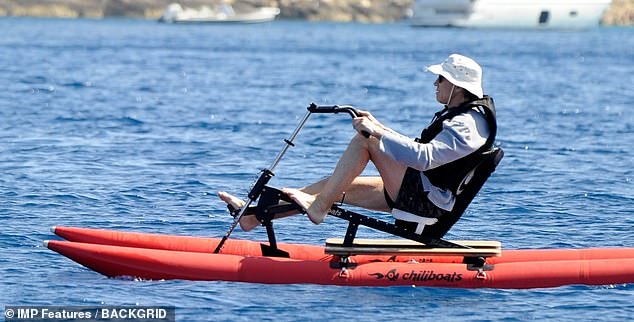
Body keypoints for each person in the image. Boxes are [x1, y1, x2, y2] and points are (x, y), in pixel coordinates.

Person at [219, 53, 497, 238]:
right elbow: (421, 151)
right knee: (337, 185)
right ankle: (253, 216)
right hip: (421, 190)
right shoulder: (461, 114)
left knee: (365, 141)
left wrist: (376, 132)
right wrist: (382, 127)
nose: (435, 83)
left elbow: (425, 158)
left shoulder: (469, 124)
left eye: (441, 79)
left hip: (427, 203)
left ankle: (318, 208)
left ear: (458, 87)